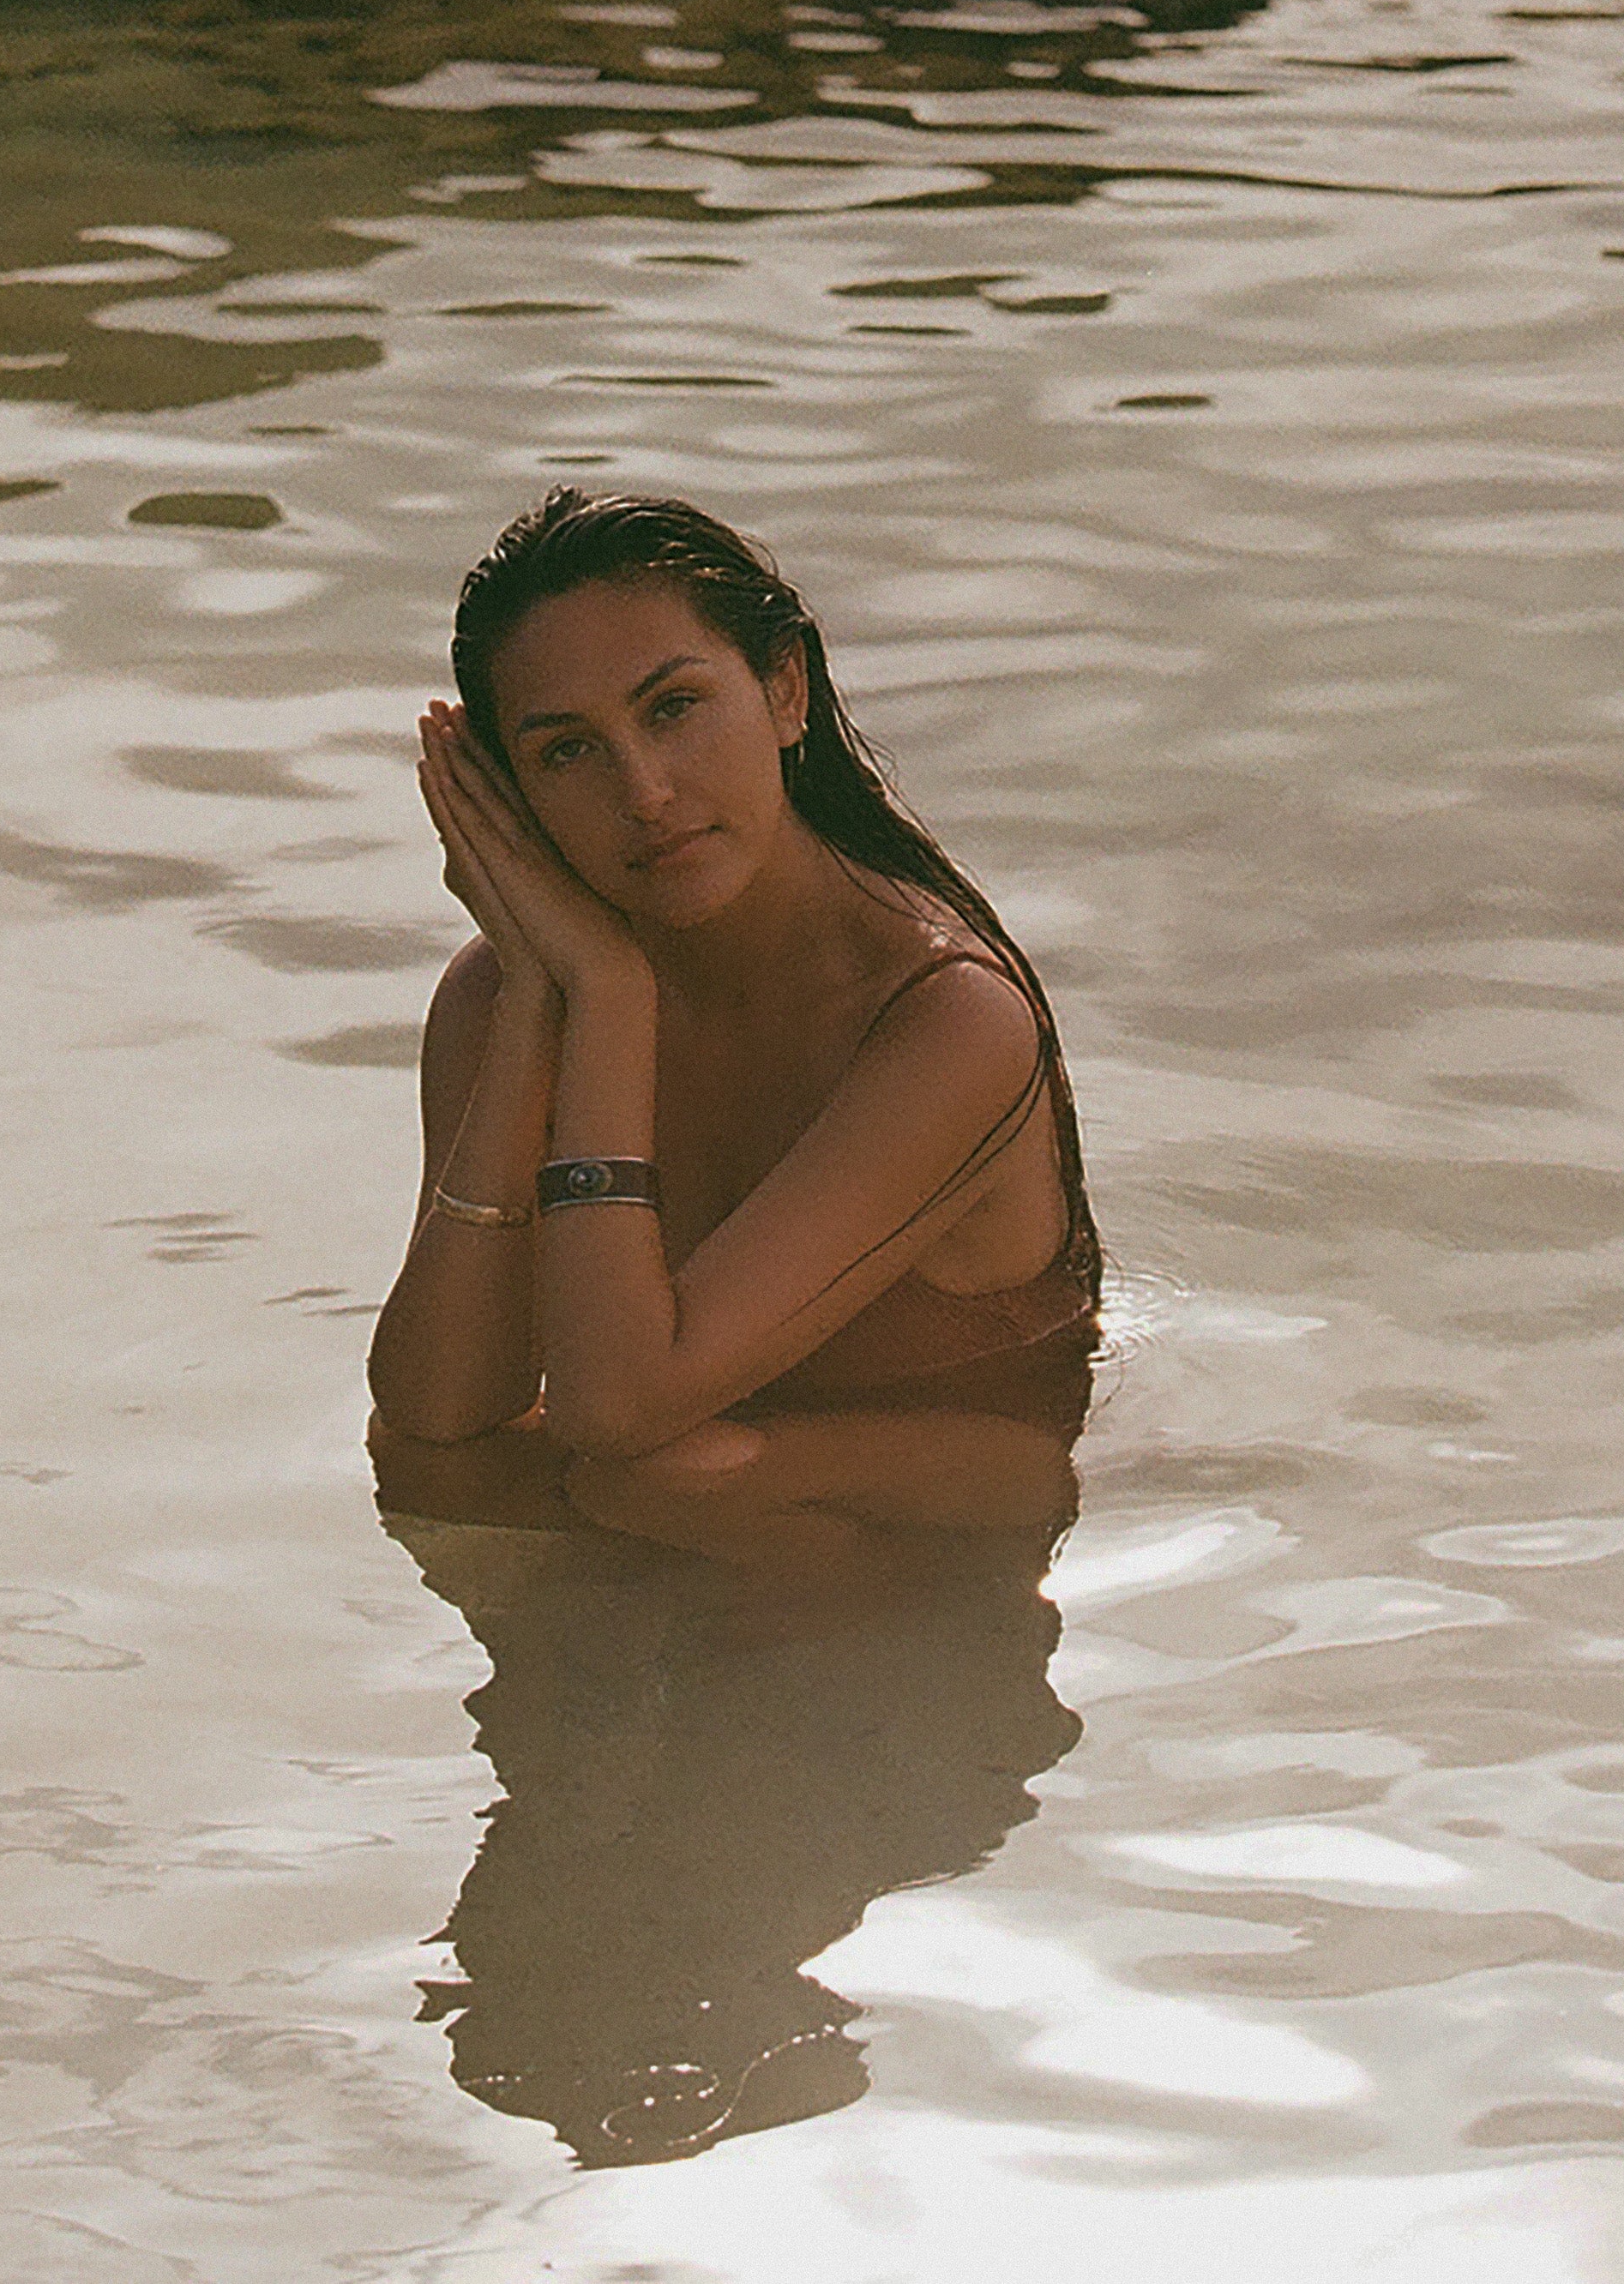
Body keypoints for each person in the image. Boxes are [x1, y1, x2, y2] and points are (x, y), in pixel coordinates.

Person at [367, 489, 1100, 1578]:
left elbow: (615, 1412)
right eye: (568, 752)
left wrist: (610, 1006)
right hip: (714, 1478)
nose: (646, 791)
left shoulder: (948, 1023)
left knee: (653, 1472)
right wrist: (539, 1003)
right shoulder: (512, 992)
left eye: (673, 708)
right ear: (509, 795)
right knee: (457, 1472)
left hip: (964, 1494)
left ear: (786, 689)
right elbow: (434, 1418)